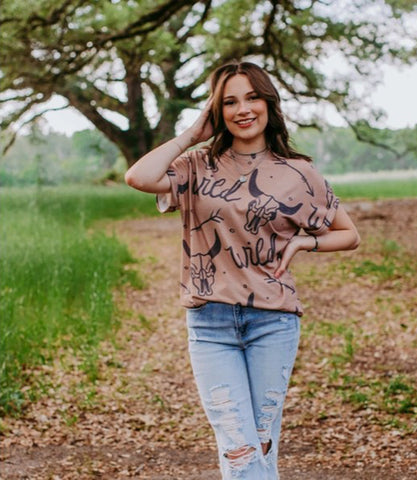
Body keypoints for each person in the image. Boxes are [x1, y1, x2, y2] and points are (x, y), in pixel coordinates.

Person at [125, 61, 360, 480]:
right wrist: (192, 135)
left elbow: (349, 235)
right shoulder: (197, 166)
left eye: (252, 97)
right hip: (210, 322)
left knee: (261, 442)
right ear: (218, 112)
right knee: (239, 447)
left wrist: (306, 240)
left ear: (269, 102)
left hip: (273, 321)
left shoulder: (299, 173)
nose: (243, 109)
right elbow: (138, 177)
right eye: (229, 102)